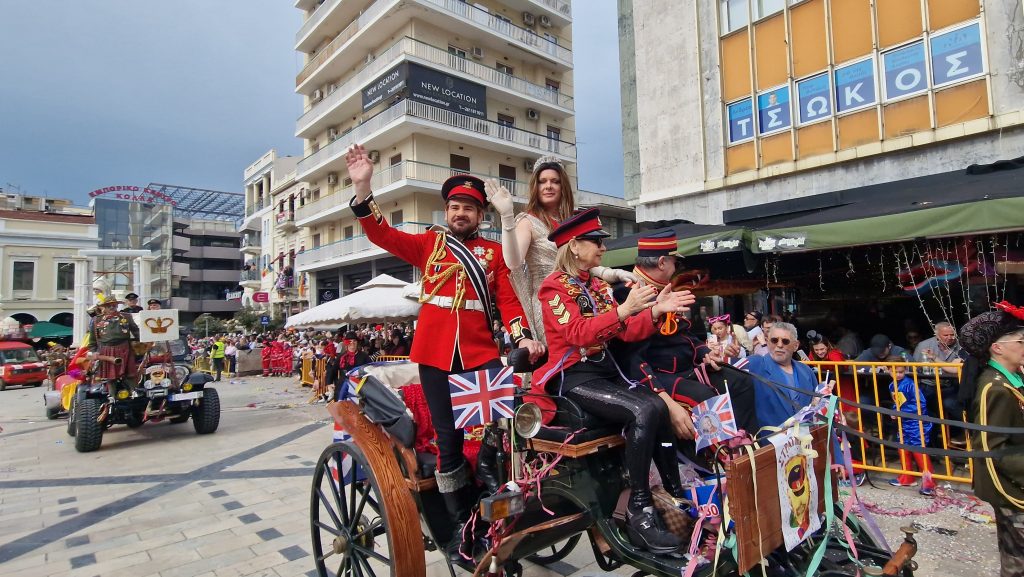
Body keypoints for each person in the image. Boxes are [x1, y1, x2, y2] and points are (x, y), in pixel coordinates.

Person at [346, 143, 544, 566]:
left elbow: (508, 301)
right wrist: (364, 187)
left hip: (480, 358)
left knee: (500, 432)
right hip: (435, 357)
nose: (461, 213)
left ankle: (494, 505)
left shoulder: (493, 253)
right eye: (455, 206)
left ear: (480, 216)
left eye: (469, 208)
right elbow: (382, 233)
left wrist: (523, 336)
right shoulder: (428, 247)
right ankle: (460, 532)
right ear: (446, 211)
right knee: (449, 441)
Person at [533, 210, 696, 555]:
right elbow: (577, 334)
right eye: (597, 241)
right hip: (572, 376)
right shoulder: (553, 287)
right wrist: (624, 311)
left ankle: (674, 494)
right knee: (645, 409)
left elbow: (625, 333)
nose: (603, 247)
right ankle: (640, 509)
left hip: (604, 373)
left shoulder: (598, 286)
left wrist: (653, 312)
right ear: (574, 246)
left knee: (659, 408)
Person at [612, 230, 759, 434]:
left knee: (742, 381)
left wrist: (705, 353)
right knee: (706, 398)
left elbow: (686, 335)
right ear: (662, 262)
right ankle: (720, 458)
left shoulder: (664, 290)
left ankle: (746, 444)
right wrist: (661, 395)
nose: (677, 269)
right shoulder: (625, 293)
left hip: (687, 369)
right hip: (657, 375)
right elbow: (631, 357)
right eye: (676, 263)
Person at [488, 156, 634, 343]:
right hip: (551, 302)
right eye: (542, 181)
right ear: (535, 187)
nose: (548, 186)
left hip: (582, 294)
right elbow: (513, 262)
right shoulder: (527, 221)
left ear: (563, 186)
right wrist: (507, 216)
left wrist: (610, 273)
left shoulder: (572, 221)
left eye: (555, 181)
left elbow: (576, 264)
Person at [959, 302, 1024, 577]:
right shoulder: (993, 387)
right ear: (997, 347)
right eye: (1021, 341)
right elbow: (992, 448)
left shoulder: (1014, 378)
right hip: (1012, 486)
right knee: (1017, 562)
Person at [745, 322, 817, 429]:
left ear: (795, 345)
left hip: (806, 439)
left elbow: (817, 404)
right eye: (774, 340)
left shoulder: (805, 371)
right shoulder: (755, 364)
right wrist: (724, 358)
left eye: (785, 341)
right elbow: (727, 374)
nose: (779, 345)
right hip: (771, 441)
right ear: (767, 342)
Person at [887, 360, 936, 496]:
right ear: (889, 371)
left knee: (918, 448)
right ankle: (907, 476)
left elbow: (921, 404)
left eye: (901, 372)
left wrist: (900, 412)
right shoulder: (892, 385)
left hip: (916, 421)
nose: (898, 374)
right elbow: (898, 402)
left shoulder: (910, 385)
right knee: (902, 446)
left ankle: (929, 481)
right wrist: (895, 410)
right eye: (895, 372)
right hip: (904, 421)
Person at [913, 321, 966, 421]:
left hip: (951, 385)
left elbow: (956, 368)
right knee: (921, 403)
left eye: (952, 334)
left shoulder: (961, 346)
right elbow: (915, 368)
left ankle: (967, 429)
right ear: (937, 335)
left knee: (950, 403)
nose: (950, 337)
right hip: (929, 385)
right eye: (946, 335)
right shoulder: (924, 346)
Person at [87, 299, 141, 383]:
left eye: (114, 305)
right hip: (106, 351)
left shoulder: (126, 316)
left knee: (129, 376)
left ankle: (132, 392)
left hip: (124, 348)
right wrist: (93, 351)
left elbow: (136, 332)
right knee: (110, 378)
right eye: (109, 306)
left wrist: (145, 341)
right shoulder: (96, 320)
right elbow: (93, 339)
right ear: (104, 307)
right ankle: (111, 394)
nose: (112, 307)